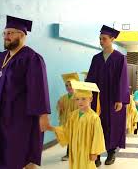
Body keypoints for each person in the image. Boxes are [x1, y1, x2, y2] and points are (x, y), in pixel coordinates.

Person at [0, 15, 51, 169]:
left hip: (20, 118)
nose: (6, 36)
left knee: (19, 154)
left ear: (22, 35)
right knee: (0, 151)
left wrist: (43, 116)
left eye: (11, 33)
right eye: (5, 33)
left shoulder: (32, 58)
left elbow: (39, 89)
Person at [86, 25, 130, 166]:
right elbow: (90, 78)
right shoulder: (96, 58)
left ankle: (111, 152)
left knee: (112, 125)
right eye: (100, 39)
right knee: (96, 125)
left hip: (113, 99)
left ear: (112, 39)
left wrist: (120, 100)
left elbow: (122, 80)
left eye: (104, 39)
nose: (101, 41)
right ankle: (96, 154)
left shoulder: (119, 58)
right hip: (97, 98)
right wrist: (85, 93)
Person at [48, 81, 106, 169]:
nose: (80, 102)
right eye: (77, 99)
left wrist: (95, 152)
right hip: (74, 149)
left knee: (86, 166)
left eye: (83, 99)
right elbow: (66, 130)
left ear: (90, 99)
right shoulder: (73, 115)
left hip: (87, 150)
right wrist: (52, 128)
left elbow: (97, 136)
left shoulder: (94, 118)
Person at [57, 72, 79, 161]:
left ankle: (76, 153)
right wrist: (60, 107)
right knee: (70, 137)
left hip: (77, 121)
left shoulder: (79, 97)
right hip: (67, 121)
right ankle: (69, 154)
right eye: (66, 85)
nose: (69, 87)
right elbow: (60, 110)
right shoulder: (63, 98)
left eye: (71, 85)